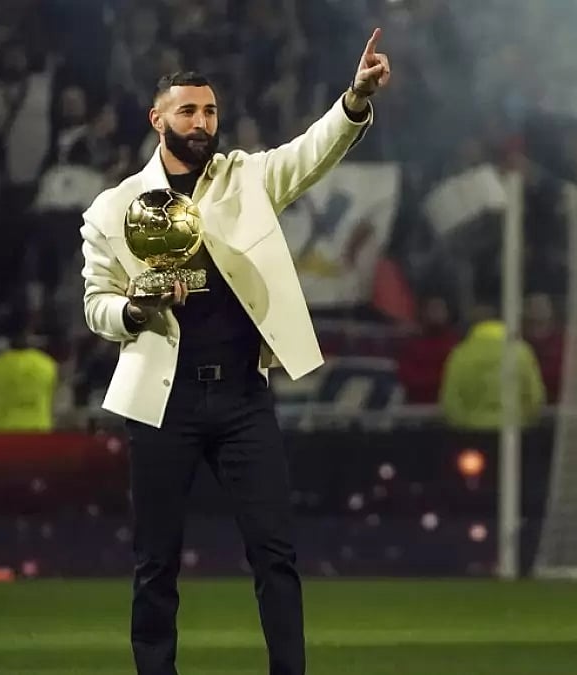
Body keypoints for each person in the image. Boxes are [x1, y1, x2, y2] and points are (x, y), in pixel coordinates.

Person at [79, 30, 391, 675]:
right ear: (157, 119)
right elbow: (96, 305)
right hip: (162, 398)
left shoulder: (245, 178)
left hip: (244, 397)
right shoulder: (113, 209)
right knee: (155, 561)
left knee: (275, 553)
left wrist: (354, 99)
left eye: (210, 111)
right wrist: (134, 309)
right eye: (188, 111)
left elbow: (311, 152)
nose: (201, 122)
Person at [438, 305, 546, 430]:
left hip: (473, 432)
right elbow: (534, 397)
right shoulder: (521, 351)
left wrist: (466, 424)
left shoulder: (461, 353)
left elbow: (451, 400)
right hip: (514, 431)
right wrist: (523, 421)